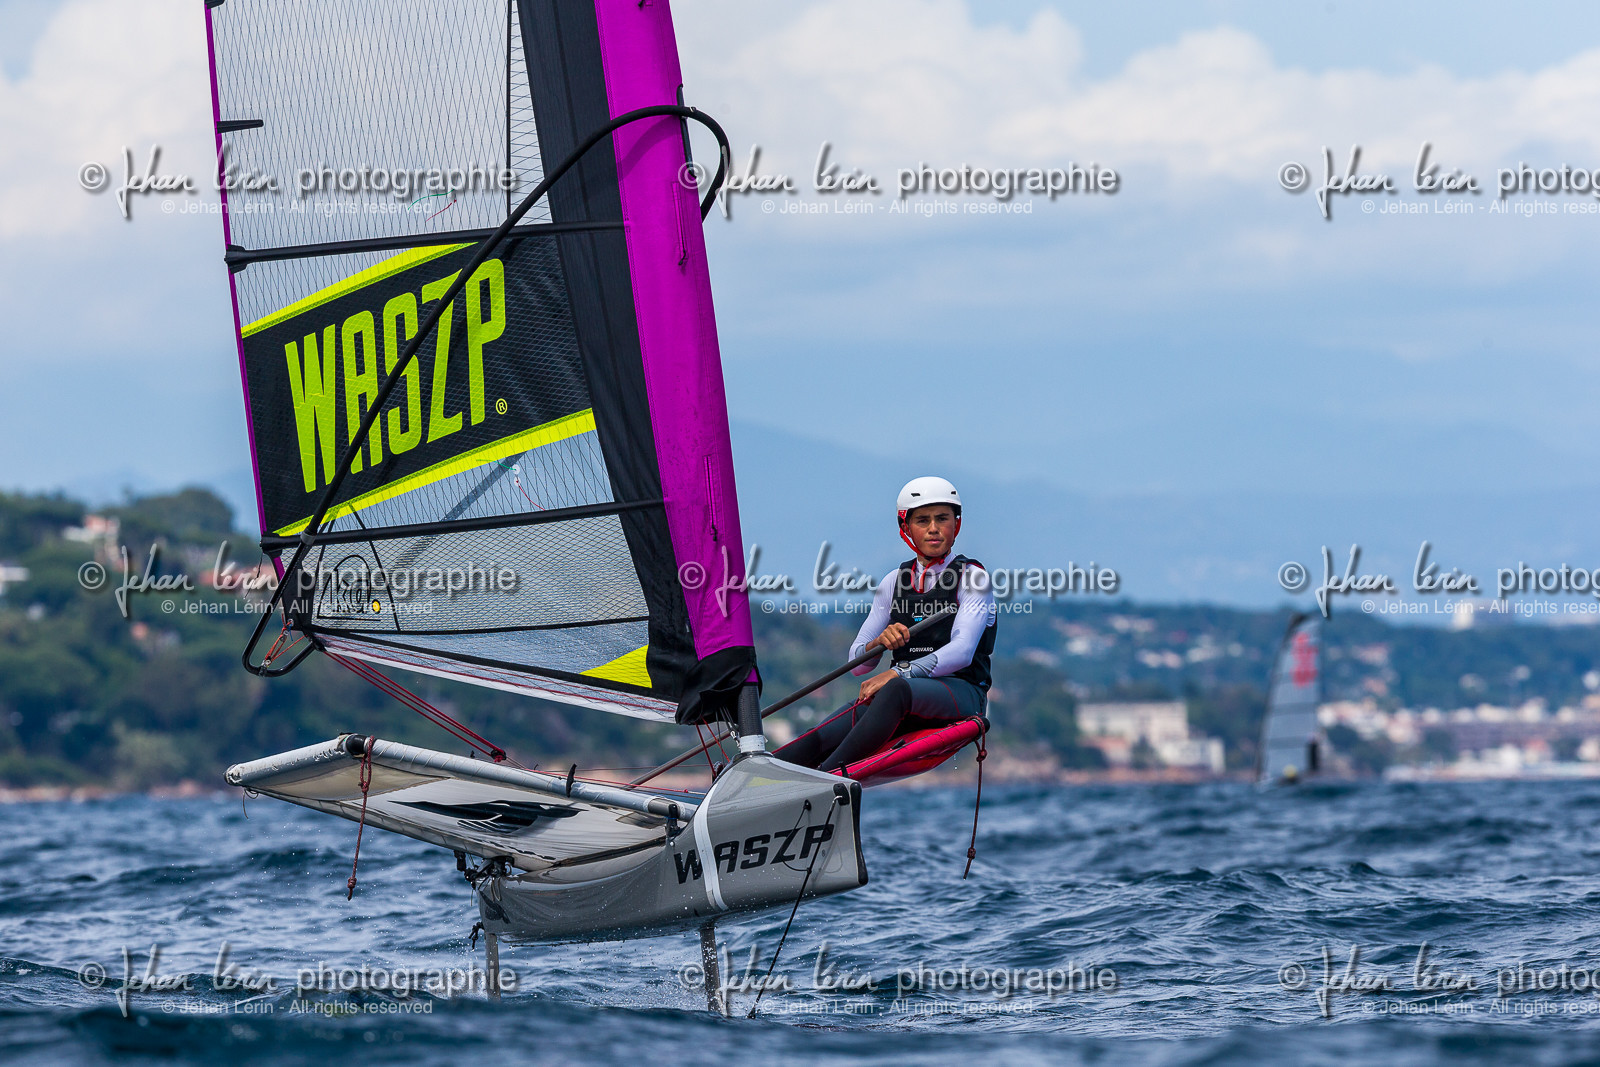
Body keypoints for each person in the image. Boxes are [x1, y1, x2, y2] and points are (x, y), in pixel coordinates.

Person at [775, 477, 997, 774]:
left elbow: (962, 652)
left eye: (942, 518)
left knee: (894, 689)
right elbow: (858, 664)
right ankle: (739, 781)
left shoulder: (973, 579)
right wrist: (877, 644)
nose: (933, 528)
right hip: (904, 696)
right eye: (923, 520)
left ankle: (823, 779)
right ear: (906, 528)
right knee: (822, 734)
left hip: (961, 693)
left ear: (956, 525)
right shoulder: (893, 582)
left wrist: (897, 672)